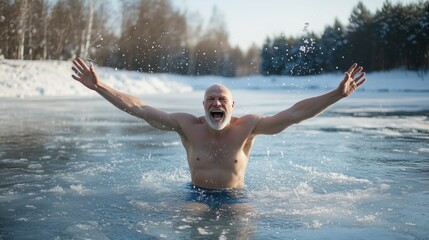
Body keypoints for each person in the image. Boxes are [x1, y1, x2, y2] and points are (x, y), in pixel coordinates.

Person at [71, 57, 366, 190]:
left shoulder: (249, 127)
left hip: (236, 200)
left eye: (222, 99)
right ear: (203, 106)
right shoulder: (186, 126)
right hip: (194, 197)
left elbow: (294, 114)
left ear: (232, 106)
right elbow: (140, 108)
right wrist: (100, 87)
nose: (216, 103)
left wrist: (336, 95)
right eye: (211, 99)